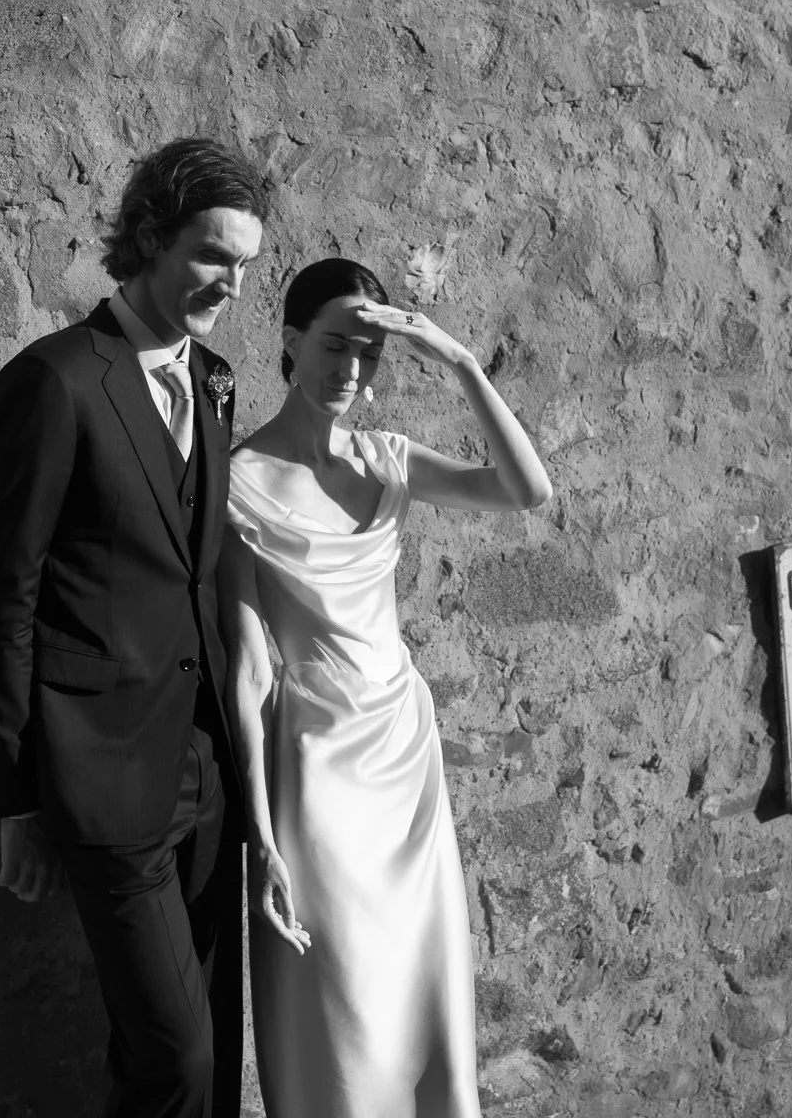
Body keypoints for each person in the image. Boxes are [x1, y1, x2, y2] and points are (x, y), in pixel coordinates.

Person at [0, 137, 270, 1118]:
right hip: (102, 782)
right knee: (177, 1056)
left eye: (246, 266)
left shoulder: (215, 383)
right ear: (148, 237)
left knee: (210, 1051)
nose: (230, 283)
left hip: (209, 769)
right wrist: (12, 799)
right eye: (212, 256)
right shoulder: (56, 382)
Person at [220, 258, 553, 1118]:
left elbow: (528, 490)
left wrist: (461, 363)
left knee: (423, 1004)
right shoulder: (235, 481)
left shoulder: (390, 460)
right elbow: (250, 667)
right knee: (346, 1019)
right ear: (290, 344)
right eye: (334, 345)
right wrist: (258, 829)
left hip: (406, 756)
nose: (350, 370)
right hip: (317, 771)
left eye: (369, 353)